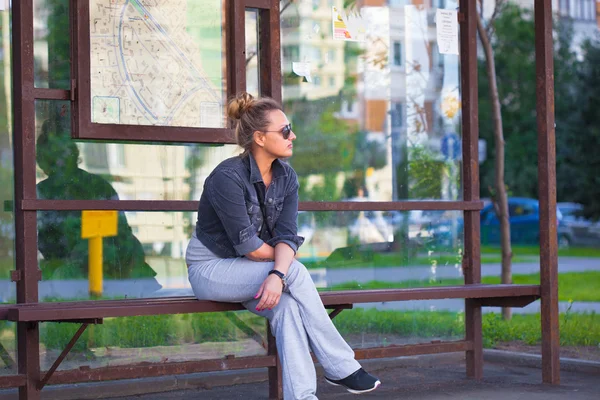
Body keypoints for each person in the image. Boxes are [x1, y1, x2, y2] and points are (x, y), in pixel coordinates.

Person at [186, 93, 381, 399]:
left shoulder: (286, 176)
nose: (294, 136)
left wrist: (277, 272)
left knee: (288, 309)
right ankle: (340, 367)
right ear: (260, 138)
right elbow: (249, 246)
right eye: (286, 130)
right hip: (211, 268)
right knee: (297, 273)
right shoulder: (227, 177)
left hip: (254, 271)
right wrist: (280, 273)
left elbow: (288, 236)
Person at [36, 123, 160, 293]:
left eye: (63, 154)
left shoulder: (96, 186)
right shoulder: (96, 185)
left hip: (108, 267)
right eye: (56, 156)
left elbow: (120, 231)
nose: (61, 161)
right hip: (105, 269)